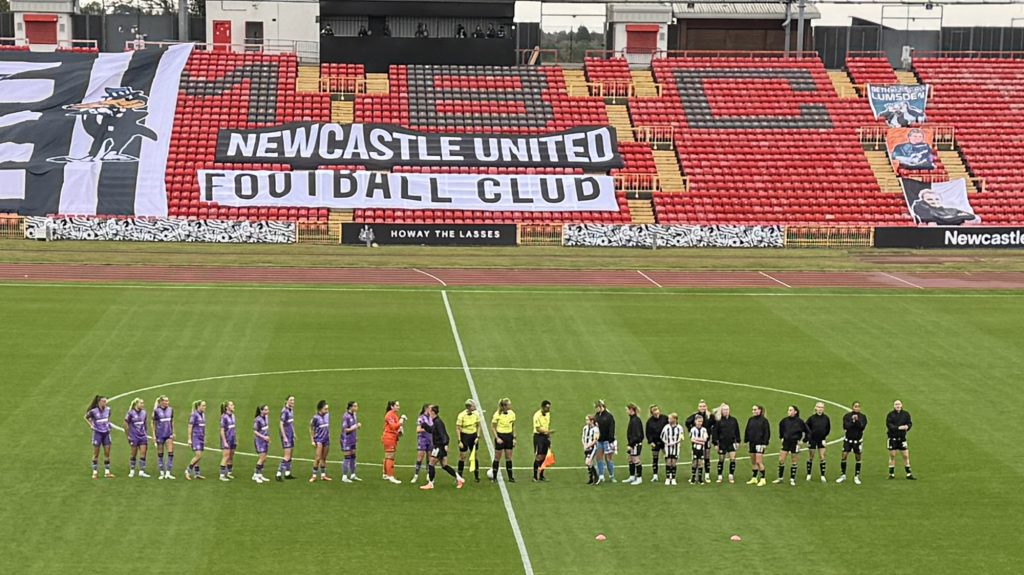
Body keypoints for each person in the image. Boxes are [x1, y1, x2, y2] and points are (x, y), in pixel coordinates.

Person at [421, 405, 464, 490]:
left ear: (433, 412)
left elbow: (443, 434)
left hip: (439, 447)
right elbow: (432, 430)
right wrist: (424, 425)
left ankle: (430, 483)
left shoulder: (438, 422)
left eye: (429, 410)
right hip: (440, 446)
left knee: (431, 463)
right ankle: (459, 479)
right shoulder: (436, 421)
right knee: (444, 465)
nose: (428, 412)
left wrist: (445, 444)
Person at [774, 405, 808, 486]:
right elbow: (781, 429)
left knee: (794, 461)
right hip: (786, 442)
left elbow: (807, 431)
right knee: (781, 460)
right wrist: (781, 437)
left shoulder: (800, 422)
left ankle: (792, 479)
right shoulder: (784, 421)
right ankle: (780, 478)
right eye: (788, 410)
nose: (788, 411)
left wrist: (803, 440)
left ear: (795, 412)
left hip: (794, 443)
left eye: (790, 410)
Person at [837, 401, 867, 485]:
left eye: (858, 406)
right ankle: (843, 475)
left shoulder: (863, 417)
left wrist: (857, 421)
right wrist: (852, 421)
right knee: (844, 456)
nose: (857, 408)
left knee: (858, 457)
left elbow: (862, 427)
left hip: (857, 441)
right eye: (855, 406)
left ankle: (856, 476)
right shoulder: (847, 416)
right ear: (852, 407)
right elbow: (845, 426)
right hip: (848, 440)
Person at [85, 395, 114, 479]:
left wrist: (108, 424)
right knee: (96, 454)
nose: (105, 403)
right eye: (103, 401)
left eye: (106, 401)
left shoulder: (108, 409)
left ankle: (107, 472)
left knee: (107, 453)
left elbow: (108, 418)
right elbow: (86, 417)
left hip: (106, 433)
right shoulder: (93, 411)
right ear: (99, 402)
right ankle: (95, 472)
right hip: (97, 433)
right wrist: (91, 425)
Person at [685, 400, 715, 483]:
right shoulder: (695, 416)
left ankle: (707, 475)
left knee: (706, 456)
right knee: (695, 458)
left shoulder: (709, 416)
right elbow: (687, 422)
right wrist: (691, 429)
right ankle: (694, 475)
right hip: (696, 441)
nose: (702, 408)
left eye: (704, 406)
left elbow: (715, 423)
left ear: (706, 407)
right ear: (698, 407)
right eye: (701, 406)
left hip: (706, 439)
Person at [911, 188, 977, 226]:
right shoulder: (921, 208)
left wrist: (947, 218)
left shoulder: (952, 210)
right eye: (929, 199)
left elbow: (971, 216)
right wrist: (957, 218)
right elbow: (931, 218)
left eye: (937, 199)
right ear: (923, 201)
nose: (934, 201)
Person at [887, 400, 915, 480]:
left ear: (901, 405)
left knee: (906, 455)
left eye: (899, 404)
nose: (897, 406)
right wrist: (898, 428)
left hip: (902, 438)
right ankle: (891, 473)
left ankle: (908, 473)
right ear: (894, 406)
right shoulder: (890, 415)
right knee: (892, 455)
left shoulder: (906, 414)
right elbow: (889, 425)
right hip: (892, 438)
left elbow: (909, 423)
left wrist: (907, 427)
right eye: (896, 404)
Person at [712, 403, 740, 484]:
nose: (726, 411)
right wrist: (715, 444)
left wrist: (738, 441)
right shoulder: (718, 421)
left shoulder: (733, 420)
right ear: (721, 411)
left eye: (727, 410)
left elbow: (737, 431)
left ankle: (731, 475)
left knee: (732, 459)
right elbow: (715, 433)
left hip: (731, 443)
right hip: (722, 443)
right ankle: (719, 476)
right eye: (724, 410)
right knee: (721, 459)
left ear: (729, 410)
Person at [491, 398, 516, 482]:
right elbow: (493, 427)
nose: (510, 406)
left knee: (509, 457)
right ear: (505, 406)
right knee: (497, 457)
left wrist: (514, 438)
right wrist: (497, 438)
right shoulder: (497, 414)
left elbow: (513, 426)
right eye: (509, 404)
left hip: (509, 437)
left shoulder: (512, 414)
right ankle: (494, 477)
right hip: (500, 436)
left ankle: (510, 477)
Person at [456, 399, 481, 482]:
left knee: (474, 455)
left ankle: (476, 476)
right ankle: (459, 476)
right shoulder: (461, 415)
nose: (475, 407)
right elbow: (458, 428)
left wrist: (478, 436)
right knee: (462, 456)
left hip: (473, 436)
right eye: (473, 406)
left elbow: (478, 425)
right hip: (464, 436)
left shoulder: (476, 414)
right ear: (469, 407)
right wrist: (459, 441)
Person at [805, 402, 831, 483]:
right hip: (812, 439)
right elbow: (806, 427)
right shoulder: (811, 418)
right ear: (815, 408)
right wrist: (808, 438)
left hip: (821, 440)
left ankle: (822, 475)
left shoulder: (826, 418)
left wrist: (824, 438)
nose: (820, 409)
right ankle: (809, 474)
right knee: (811, 456)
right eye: (819, 407)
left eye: (821, 407)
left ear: (823, 409)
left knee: (822, 457)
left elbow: (828, 429)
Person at [744, 405, 770, 486]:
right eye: (753, 410)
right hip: (752, 443)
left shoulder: (764, 421)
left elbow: (767, 432)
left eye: (755, 409)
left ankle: (763, 478)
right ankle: (754, 478)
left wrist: (765, 443)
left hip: (760, 443)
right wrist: (746, 440)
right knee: (753, 461)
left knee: (759, 461)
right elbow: (747, 429)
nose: (753, 411)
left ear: (760, 410)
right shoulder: (751, 419)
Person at [124, 398, 150, 478]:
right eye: (141, 403)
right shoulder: (130, 413)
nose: (142, 405)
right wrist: (128, 435)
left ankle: (142, 471)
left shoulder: (144, 412)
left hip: (142, 436)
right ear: (136, 404)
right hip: (134, 436)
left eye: (143, 403)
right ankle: (132, 471)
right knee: (133, 454)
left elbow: (145, 423)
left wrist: (145, 433)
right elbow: (125, 424)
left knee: (143, 453)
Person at [382, 400, 406, 484]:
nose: (398, 407)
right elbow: (394, 426)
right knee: (390, 456)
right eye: (397, 405)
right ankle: (390, 476)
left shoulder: (394, 415)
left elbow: (396, 428)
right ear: (392, 406)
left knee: (387, 456)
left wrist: (400, 431)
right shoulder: (389, 415)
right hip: (389, 438)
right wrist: (401, 420)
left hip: (392, 437)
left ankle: (385, 474)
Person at [151, 395, 175, 480]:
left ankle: (168, 472)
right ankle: (161, 472)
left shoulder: (170, 410)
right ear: (161, 402)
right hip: (160, 434)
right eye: (165, 401)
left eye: (168, 401)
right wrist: (154, 435)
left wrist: (173, 432)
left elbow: (172, 421)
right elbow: (153, 423)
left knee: (170, 453)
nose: (167, 402)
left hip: (168, 434)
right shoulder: (156, 411)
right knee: (160, 454)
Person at [593, 400, 616, 483]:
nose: (596, 409)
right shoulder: (596, 416)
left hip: (607, 441)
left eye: (596, 407)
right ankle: (601, 475)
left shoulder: (609, 416)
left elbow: (612, 428)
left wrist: (611, 439)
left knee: (608, 459)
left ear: (601, 407)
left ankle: (612, 475)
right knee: (599, 458)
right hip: (599, 441)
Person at [645, 404, 668, 483]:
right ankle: (655, 475)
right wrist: (650, 441)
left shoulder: (665, 418)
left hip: (664, 442)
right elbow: (648, 433)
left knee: (667, 457)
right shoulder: (649, 421)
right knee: (655, 458)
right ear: (652, 413)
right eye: (654, 410)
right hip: (655, 442)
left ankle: (669, 474)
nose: (656, 412)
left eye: (657, 409)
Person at [309, 400, 331, 482]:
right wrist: (312, 440)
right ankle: (314, 475)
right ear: (320, 409)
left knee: (324, 458)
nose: (327, 410)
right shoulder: (315, 418)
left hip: (326, 439)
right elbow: (311, 428)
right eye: (325, 409)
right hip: (319, 439)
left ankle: (323, 475)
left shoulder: (327, 415)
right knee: (318, 458)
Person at [660, 413, 684, 485]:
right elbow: (662, 436)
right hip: (667, 447)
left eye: (670, 419)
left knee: (673, 462)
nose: (668, 420)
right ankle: (667, 478)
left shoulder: (679, 428)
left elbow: (681, 437)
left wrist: (675, 442)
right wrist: (667, 443)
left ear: (674, 419)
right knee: (668, 462)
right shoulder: (666, 427)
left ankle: (673, 478)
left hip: (675, 448)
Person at [341, 401, 362, 483]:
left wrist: (355, 436)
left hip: (352, 439)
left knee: (353, 456)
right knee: (347, 457)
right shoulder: (346, 416)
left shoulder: (354, 415)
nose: (357, 408)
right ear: (351, 407)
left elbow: (353, 427)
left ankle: (353, 474)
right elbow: (346, 430)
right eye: (355, 406)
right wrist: (356, 426)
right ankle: (344, 476)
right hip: (346, 440)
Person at [413, 404, 434, 484]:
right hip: (422, 440)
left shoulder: (432, 417)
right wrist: (428, 429)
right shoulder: (421, 418)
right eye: (430, 409)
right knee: (420, 457)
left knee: (429, 457)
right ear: (426, 409)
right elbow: (418, 430)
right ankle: (416, 475)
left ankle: (428, 474)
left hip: (430, 439)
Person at [276, 396, 295, 482]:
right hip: (286, 436)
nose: (292, 401)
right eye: (291, 400)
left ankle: (287, 473)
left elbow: (291, 423)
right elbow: (281, 424)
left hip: (290, 435)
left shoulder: (291, 410)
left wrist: (293, 432)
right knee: (287, 455)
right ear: (286, 401)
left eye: (293, 400)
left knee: (290, 454)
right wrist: (284, 437)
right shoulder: (285, 411)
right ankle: (278, 474)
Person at [185, 400, 206, 480]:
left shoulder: (203, 415)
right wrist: (189, 439)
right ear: (198, 406)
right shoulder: (194, 415)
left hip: (201, 437)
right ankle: (187, 470)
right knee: (198, 455)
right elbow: (190, 426)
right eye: (203, 405)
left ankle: (197, 474)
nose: (205, 407)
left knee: (199, 457)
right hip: (195, 437)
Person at [532, 400, 552, 482]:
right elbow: (538, 428)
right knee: (539, 456)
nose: (549, 409)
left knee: (544, 456)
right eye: (547, 408)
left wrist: (548, 436)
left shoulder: (548, 414)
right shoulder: (537, 415)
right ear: (543, 407)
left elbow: (547, 426)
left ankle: (541, 475)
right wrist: (547, 431)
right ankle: (534, 476)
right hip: (538, 437)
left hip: (545, 437)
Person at [625, 403, 644, 485]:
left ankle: (639, 478)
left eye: (627, 410)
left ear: (631, 410)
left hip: (635, 444)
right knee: (630, 459)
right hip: (632, 443)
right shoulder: (633, 419)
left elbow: (637, 435)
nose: (626, 411)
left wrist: (631, 444)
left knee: (636, 460)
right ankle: (632, 476)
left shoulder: (635, 420)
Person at [252, 405, 271, 484]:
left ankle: (259, 474)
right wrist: (264, 437)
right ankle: (256, 475)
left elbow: (266, 429)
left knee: (264, 458)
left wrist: (268, 438)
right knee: (262, 458)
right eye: (265, 410)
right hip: (259, 441)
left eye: (268, 409)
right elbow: (255, 431)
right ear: (261, 411)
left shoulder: (266, 417)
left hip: (265, 440)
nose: (267, 411)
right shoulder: (258, 419)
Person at [219, 401, 237, 482]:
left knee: (231, 456)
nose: (233, 406)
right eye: (231, 405)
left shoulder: (233, 416)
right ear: (227, 407)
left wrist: (235, 439)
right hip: (226, 439)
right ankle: (222, 475)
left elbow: (233, 428)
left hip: (232, 439)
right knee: (226, 456)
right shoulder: (224, 417)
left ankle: (229, 472)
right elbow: (222, 430)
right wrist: (225, 442)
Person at [689, 415, 709, 485]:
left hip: (701, 449)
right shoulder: (693, 429)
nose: (700, 423)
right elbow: (692, 439)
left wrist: (697, 440)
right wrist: (701, 441)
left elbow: (705, 439)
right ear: (695, 421)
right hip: (694, 449)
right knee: (694, 462)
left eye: (701, 421)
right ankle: (693, 478)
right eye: (698, 421)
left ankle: (700, 479)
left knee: (700, 463)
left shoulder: (704, 429)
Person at [582, 414, 600, 484]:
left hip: (593, 448)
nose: (586, 421)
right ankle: (591, 478)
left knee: (588, 462)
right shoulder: (585, 428)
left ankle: (596, 477)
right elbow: (583, 437)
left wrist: (588, 445)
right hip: (586, 447)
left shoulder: (595, 429)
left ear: (592, 421)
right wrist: (584, 445)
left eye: (587, 420)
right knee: (588, 463)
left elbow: (595, 440)